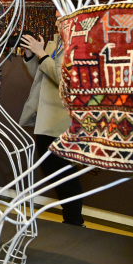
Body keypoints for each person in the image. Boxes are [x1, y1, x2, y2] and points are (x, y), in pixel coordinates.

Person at [19, 32, 85, 227]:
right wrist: (32, 55)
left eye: (60, 14)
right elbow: (40, 76)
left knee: (64, 172)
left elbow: (65, 80)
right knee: (51, 170)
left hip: (61, 119)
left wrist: (42, 55)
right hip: (44, 117)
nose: (56, 19)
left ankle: (74, 221)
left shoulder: (78, 44)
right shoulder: (55, 41)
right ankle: (72, 219)